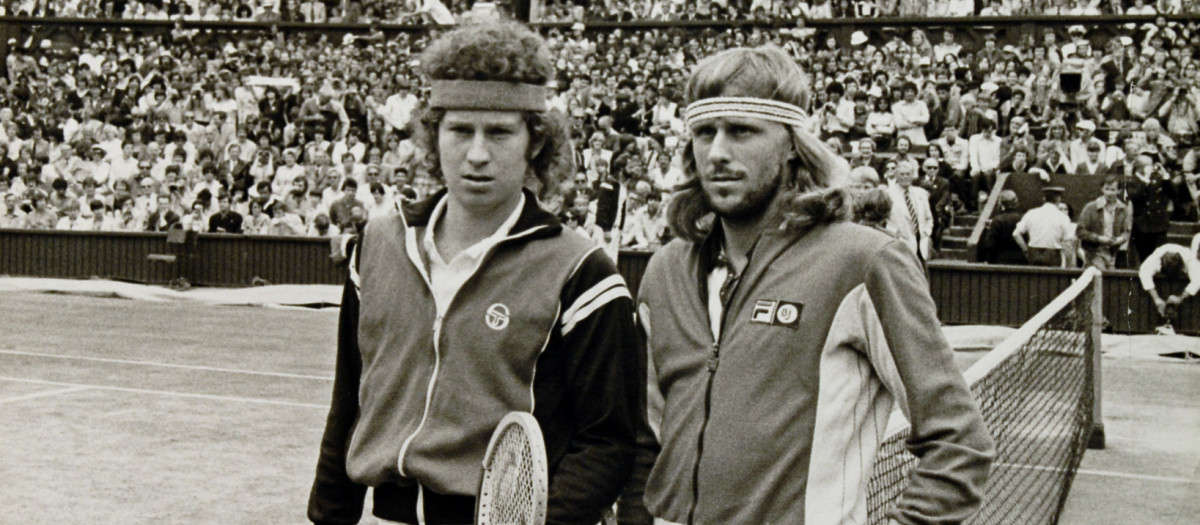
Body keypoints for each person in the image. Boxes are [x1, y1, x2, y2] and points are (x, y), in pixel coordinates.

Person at [635, 44, 993, 525]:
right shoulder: (663, 272)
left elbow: (959, 444)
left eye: (741, 131)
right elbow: (648, 439)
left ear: (791, 146)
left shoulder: (866, 262)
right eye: (704, 132)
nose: (717, 152)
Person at [308, 20, 639, 525]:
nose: (478, 154)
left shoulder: (583, 272)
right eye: (460, 129)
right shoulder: (377, 244)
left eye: (500, 132)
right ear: (432, 133)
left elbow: (609, 442)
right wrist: (330, 514)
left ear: (534, 141)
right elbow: (350, 395)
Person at [1138, 242, 1200, 335]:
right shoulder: (1156, 258)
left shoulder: (1190, 258)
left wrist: (1181, 298)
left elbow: (1198, 280)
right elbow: (1144, 273)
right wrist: (1157, 299)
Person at [1076, 176, 1132, 270]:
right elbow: (1080, 231)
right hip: (1094, 253)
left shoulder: (1123, 209)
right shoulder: (1091, 207)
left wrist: (1120, 239)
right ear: (1102, 189)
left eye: (1112, 190)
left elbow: (1126, 231)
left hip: (1114, 254)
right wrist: (1099, 238)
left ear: (1119, 191)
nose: (1109, 193)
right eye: (1107, 189)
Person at [1013, 186, 1074, 267]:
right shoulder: (1063, 217)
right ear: (1059, 199)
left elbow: (1016, 234)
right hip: (1053, 254)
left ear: (1044, 199)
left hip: (1033, 252)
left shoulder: (1031, 213)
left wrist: (1026, 250)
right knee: (1052, 279)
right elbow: (1068, 242)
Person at [978, 190, 1027, 265]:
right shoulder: (1024, 218)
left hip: (1001, 261)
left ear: (1001, 204)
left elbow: (989, 245)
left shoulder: (998, 220)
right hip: (1022, 261)